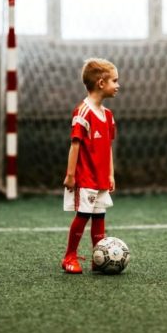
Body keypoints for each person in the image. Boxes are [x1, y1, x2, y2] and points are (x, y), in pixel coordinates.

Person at [61, 58, 120, 274]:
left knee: (100, 217)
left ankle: (98, 257)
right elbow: (74, 146)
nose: (118, 85)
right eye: (115, 80)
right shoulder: (83, 112)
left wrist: (111, 174)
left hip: (101, 177)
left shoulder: (108, 116)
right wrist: (70, 176)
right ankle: (69, 256)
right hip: (85, 177)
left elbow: (108, 148)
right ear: (101, 83)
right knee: (83, 216)